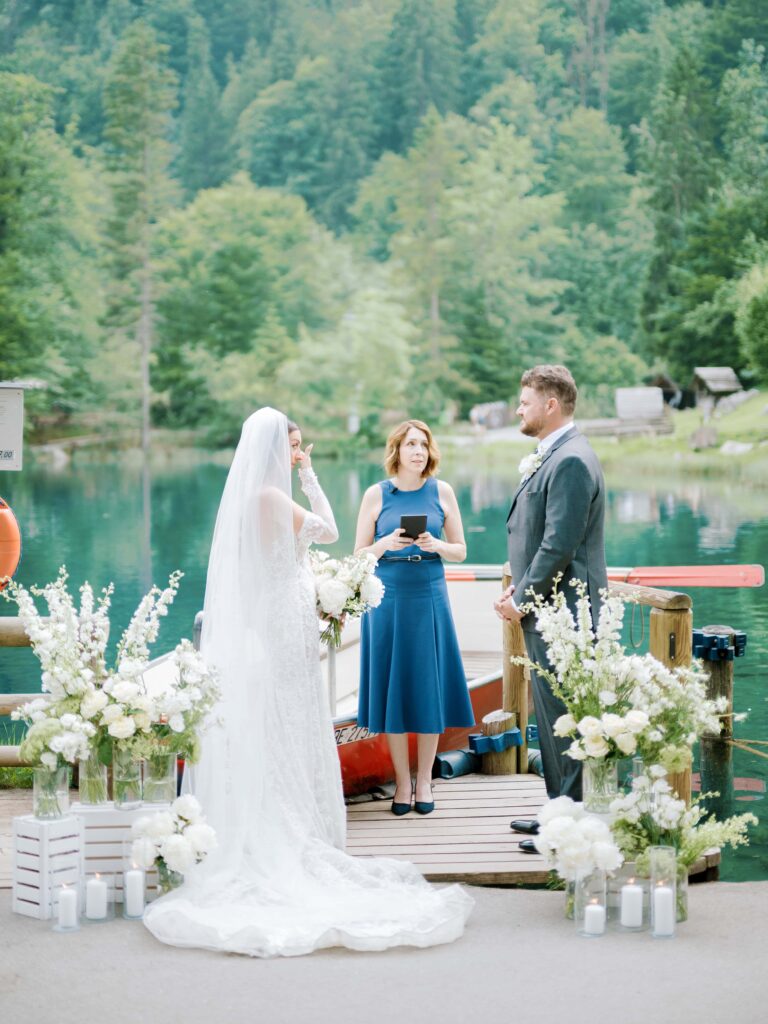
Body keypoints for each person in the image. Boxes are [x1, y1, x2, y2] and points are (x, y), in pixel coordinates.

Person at [142, 408, 472, 956]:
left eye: (300, 447)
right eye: (292, 447)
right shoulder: (271, 497)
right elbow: (333, 531)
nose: (298, 453)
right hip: (284, 615)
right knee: (290, 712)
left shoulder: (261, 495)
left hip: (292, 610)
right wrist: (312, 479)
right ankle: (291, 820)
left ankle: (386, 792)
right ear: (276, 451)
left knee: (289, 713)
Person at [494, 366, 607, 850]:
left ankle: (572, 828)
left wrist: (522, 599)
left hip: (567, 614)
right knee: (552, 720)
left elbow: (560, 544)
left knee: (567, 721)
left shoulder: (572, 462)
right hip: (548, 609)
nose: (519, 409)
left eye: (525, 401)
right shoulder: (556, 455)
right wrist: (517, 588)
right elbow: (539, 538)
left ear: (550, 405)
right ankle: (556, 815)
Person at [354, 419, 475, 816]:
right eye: (410, 444)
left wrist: (434, 543)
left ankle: (425, 780)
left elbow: (460, 550)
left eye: (423, 444)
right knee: (394, 688)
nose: (418, 451)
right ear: (397, 451)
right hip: (387, 597)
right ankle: (401, 784)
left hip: (428, 594)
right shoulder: (376, 495)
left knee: (428, 687)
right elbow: (357, 556)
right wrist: (385, 543)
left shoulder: (442, 491)